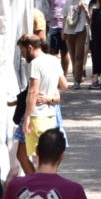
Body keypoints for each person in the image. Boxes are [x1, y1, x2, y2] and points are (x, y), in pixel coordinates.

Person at [18, 34, 68, 162]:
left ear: (30, 48)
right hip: (51, 117)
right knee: (49, 158)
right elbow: (64, 85)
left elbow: (33, 91)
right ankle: (49, 182)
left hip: (36, 116)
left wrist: (27, 118)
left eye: (23, 51)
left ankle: (41, 182)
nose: (23, 55)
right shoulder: (54, 60)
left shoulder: (35, 63)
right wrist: (50, 96)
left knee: (39, 159)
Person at [63, 0, 91, 89]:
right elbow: (64, 16)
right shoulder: (69, 1)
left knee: (79, 55)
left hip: (81, 29)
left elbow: (89, 18)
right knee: (72, 55)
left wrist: (85, 9)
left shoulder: (85, 0)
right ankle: (76, 75)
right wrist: (63, 30)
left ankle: (77, 80)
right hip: (69, 30)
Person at [47, 0, 73, 78]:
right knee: (52, 52)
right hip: (53, 25)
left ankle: (64, 76)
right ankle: (54, 77)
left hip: (65, 25)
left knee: (64, 51)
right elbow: (50, 5)